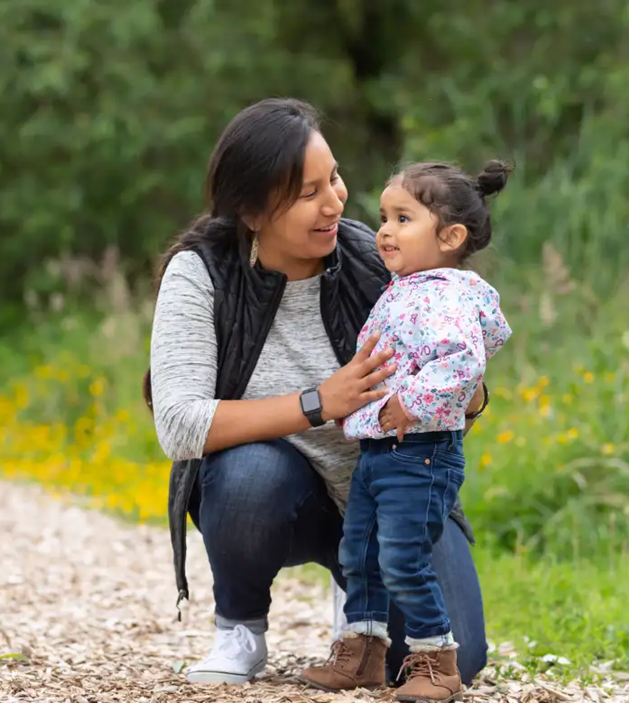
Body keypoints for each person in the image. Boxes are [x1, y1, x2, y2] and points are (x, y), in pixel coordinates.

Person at [144, 97, 491, 688]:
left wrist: (463, 390)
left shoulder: (378, 257)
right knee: (249, 474)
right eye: (308, 193)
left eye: (332, 178)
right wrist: (319, 402)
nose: (335, 201)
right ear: (252, 210)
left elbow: (464, 394)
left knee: (459, 657)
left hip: (394, 491)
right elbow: (179, 424)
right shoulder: (201, 274)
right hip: (278, 491)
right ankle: (240, 629)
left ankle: (355, 600)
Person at [298, 160, 512, 702]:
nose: (384, 231)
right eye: (384, 217)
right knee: (360, 552)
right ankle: (363, 652)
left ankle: (436, 660)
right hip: (380, 451)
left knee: (402, 557)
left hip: (420, 453)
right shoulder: (408, 286)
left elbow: (463, 363)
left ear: (450, 236)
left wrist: (409, 403)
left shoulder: (449, 294)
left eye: (402, 218)